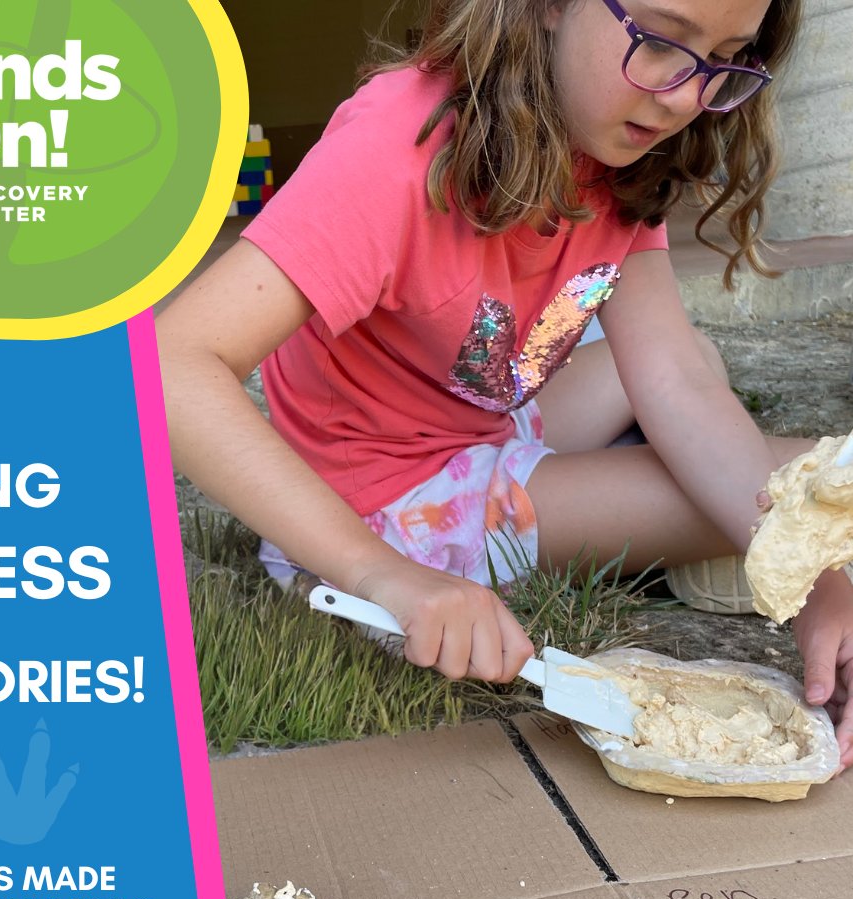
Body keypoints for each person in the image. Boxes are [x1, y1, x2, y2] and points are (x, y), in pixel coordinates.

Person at [159, 0, 853, 770]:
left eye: (725, 59)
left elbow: (678, 383)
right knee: (790, 480)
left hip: (482, 414)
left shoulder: (617, 148)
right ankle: (690, 530)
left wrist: (812, 576)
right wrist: (379, 573)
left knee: (704, 375)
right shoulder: (399, 149)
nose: (687, 95)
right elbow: (171, 365)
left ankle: (697, 529)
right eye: (661, 41)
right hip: (388, 507)